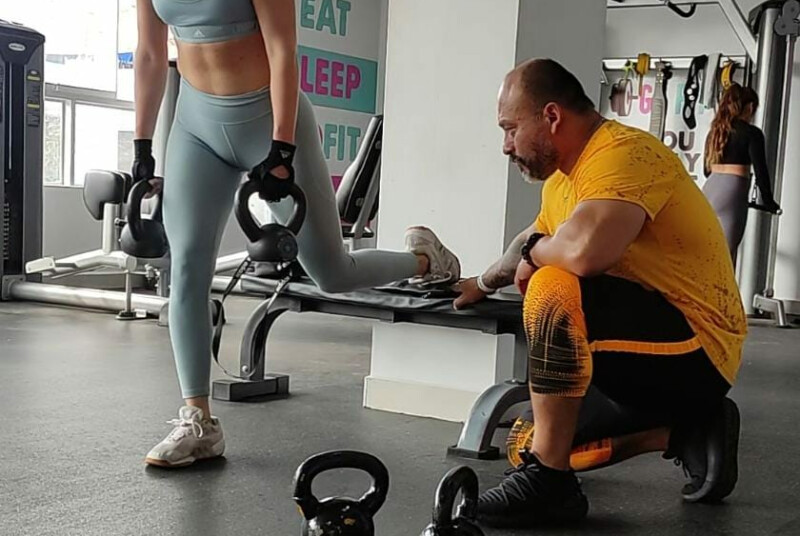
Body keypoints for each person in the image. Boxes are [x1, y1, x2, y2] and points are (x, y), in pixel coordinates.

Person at [134, 0, 460, 468]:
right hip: (195, 124)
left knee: (331, 272)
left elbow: (283, 50)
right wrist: (142, 144)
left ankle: (424, 258)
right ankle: (199, 422)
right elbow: (149, 53)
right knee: (185, 266)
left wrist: (283, 147)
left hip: (267, 119)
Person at [455, 59, 746, 529]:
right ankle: (680, 433)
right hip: (635, 357)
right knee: (525, 441)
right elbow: (528, 240)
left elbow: (587, 253)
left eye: (510, 129)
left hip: (697, 348)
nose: (506, 145)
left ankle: (550, 484)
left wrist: (535, 253)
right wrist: (481, 283)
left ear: (552, 116)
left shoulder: (624, 153)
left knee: (551, 283)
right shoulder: (561, 181)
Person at [703, 83, 781, 263]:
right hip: (733, 191)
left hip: (709, 190)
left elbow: (706, 171)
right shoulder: (752, 134)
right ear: (750, 107)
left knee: (707, 255)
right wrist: (769, 202)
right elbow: (761, 172)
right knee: (726, 259)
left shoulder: (715, 132)